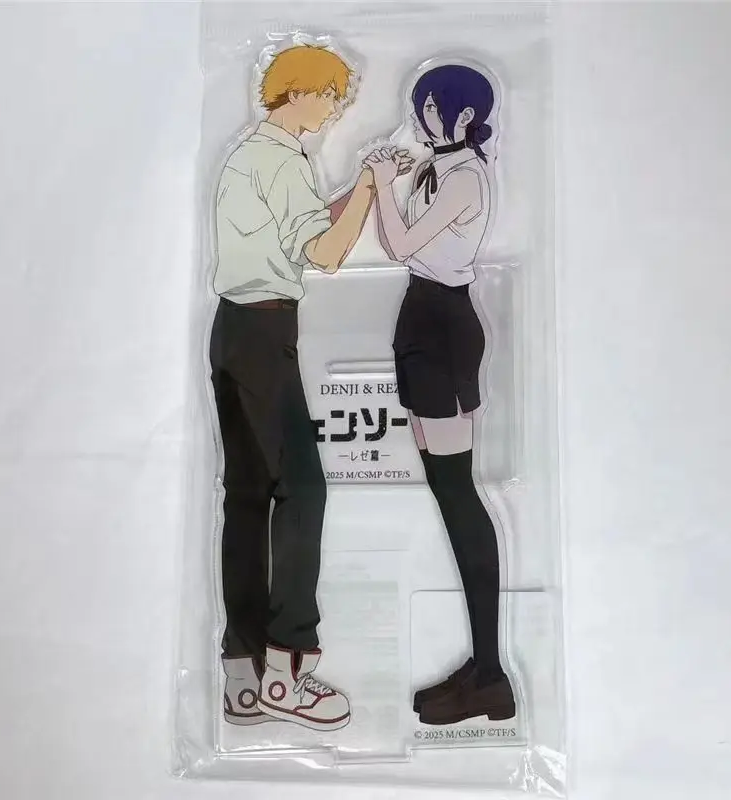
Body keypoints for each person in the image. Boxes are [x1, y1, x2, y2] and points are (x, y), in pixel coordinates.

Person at [210, 44, 411, 731]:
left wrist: (355, 186)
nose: (335, 111)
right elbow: (324, 253)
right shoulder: (285, 161)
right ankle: (288, 669)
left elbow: (296, 230)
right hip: (266, 332)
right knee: (302, 490)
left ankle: (243, 673)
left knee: (246, 499)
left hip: (232, 330)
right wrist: (371, 190)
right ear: (296, 91)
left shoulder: (249, 154)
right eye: (332, 97)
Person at [363, 64, 515, 725]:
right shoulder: (439, 168)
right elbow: (403, 245)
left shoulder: (465, 176)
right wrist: (390, 182)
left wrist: (379, 183)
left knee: (458, 493)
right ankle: (483, 670)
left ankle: (491, 674)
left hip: (445, 327)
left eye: (430, 109)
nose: (421, 119)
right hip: (420, 321)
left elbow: (402, 244)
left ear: (461, 116)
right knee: (446, 489)